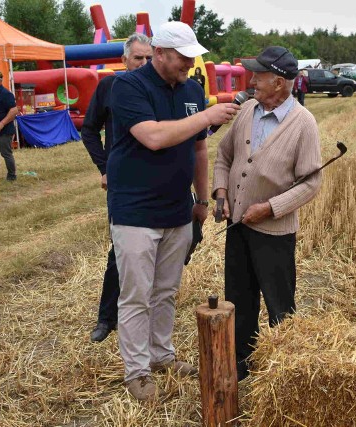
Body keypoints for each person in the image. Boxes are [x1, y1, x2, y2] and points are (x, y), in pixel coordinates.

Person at [108, 21, 241, 401]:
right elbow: (152, 137)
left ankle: (161, 355)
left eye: (192, 58)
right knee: (136, 294)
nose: (189, 63)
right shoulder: (128, 86)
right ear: (160, 53)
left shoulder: (192, 89)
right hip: (134, 209)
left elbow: (199, 149)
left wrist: (201, 200)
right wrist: (207, 116)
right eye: (183, 57)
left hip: (177, 210)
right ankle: (136, 372)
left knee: (166, 291)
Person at [212, 46, 322, 381]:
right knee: (239, 301)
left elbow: (311, 184)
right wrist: (221, 193)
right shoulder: (247, 109)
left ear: (278, 82)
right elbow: (223, 156)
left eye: (258, 75)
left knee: (280, 307)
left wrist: (271, 208)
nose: (251, 79)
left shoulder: (303, 124)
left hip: (274, 234)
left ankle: (285, 374)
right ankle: (241, 366)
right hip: (237, 228)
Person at [81, 32, 153, 343]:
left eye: (149, 58)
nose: (144, 63)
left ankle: (147, 313)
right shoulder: (110, 86)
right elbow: (89, 130)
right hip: (123, 185)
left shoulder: (160, 89)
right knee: (120, 252)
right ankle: (107, 319)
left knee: (161, 248)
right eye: (138, 58)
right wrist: (105, 167)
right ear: (123, 60)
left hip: (158, 184)